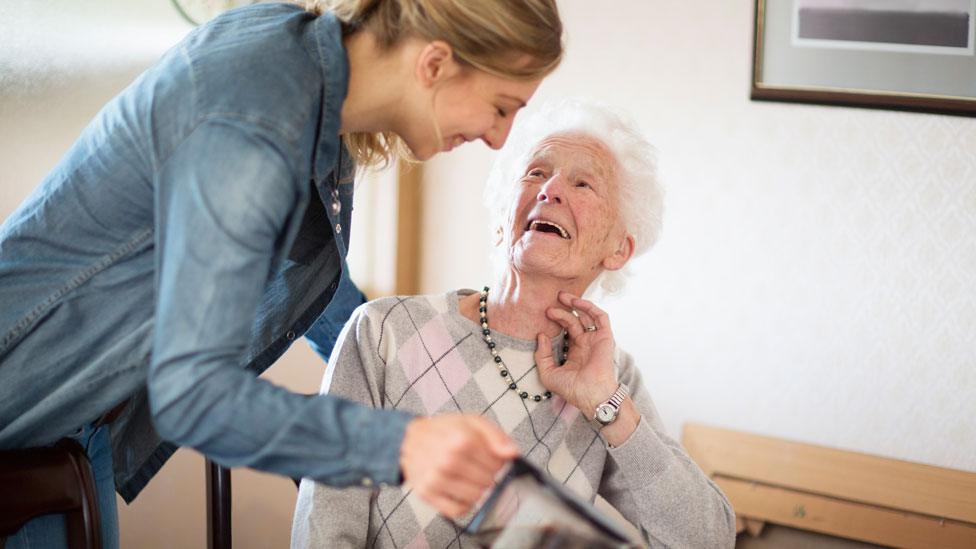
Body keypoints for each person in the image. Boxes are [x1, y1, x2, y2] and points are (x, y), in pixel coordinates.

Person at [0, 0, 563, 546]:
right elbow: (191, 393)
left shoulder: (308, 85)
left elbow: (321, 288)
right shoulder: (257, 119)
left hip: (82, 423)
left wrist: (421, 398)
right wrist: (403, 445)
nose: (499, 139)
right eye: (501, 106)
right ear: (435, 64)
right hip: (25, 410)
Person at [290, 100, 737, 548]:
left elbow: (708, 539)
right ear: (503, 222)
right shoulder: (384, 330)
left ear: (618, 249)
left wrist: (607, 404)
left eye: (583, 183)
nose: (551, 190)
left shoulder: (612, 381)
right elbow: (323, 529)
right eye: (536, 173)